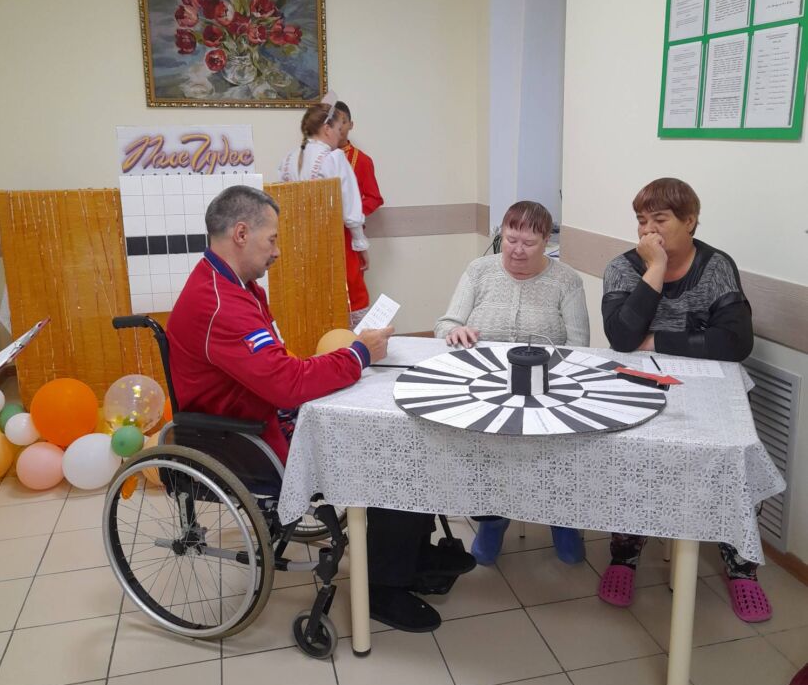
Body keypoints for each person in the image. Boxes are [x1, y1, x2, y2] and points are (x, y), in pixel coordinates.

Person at [167, 185, 468, 632]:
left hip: (262, 415)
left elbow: (277, 368)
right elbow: (287, 384)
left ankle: (410, 555)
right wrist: (359, 354)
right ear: (242, 233)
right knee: (391, 454)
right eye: (272, 239)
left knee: (400, 436)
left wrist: (343, 361)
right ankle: (384, 587)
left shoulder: (235, 286)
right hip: (244, 438)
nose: (277, 251)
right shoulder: (218, 303)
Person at [599, 177, 771, 622]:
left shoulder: (716, 266)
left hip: (711, 388)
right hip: (642, 384)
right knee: (631, 457)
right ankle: (624, 555)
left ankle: (741, 567)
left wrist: (657, 340)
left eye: (660, 219)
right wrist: (655, 268)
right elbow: (621, 338)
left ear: (690, 221)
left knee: (735, 455)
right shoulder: (623, 268)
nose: (648, 230)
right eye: (641, 221)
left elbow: (735, 342)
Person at [434, 200, 590, 566]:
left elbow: (579, 347)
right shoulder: (479, 271)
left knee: (560, 449)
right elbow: (445, 324)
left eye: (529, 243)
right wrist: (456, 332)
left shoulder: (566, 280)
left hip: (546, 389)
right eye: (510, 239)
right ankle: (493, 519)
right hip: (483, 389)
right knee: (486, 449)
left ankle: (561, 518)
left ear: (546, 242)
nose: (517, 250)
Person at [278, 102, 369, 325]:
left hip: (298, 243)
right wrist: (360, 245)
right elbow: (350, 207)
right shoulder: (334, 157)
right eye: (338, 129)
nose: (340, 135)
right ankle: (350, 341)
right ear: (327, 129)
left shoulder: (289, 159)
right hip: (333, 240)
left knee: (311, 296)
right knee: (348, 295)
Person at [334, 100, 384, 328]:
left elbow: (374, 197)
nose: (339, 127)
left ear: (351, 125)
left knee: (353, 289)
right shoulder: (316, 158)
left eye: (343, 122)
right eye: (333, 122)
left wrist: (351, 211)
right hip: (321, 236)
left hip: (348, 237)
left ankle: (359, 339)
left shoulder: (361, 160)